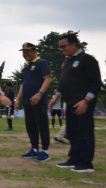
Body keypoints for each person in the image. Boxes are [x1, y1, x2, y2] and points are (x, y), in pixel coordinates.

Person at [49, 34, 102, 173]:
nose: (61, 49)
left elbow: (96, 82)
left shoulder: (87, 60)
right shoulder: (66, 61)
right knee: (72, 132)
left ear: (74, 44)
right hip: (69, 101)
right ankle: (74, 159)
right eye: (60, 47)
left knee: (84, 132)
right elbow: (63, 83)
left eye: (64, 46)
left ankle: (86, 163)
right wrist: (56, 98)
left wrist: (86, 101)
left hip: (82, 102)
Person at [14, 42, 52, 162]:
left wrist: (39, 94)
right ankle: (34, 149)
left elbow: (48, 78)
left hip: (39, 101)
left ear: (35, 51)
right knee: (30, 127)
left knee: (42, 126)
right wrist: (18, 99)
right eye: (24, 52)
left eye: (28, 51)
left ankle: (45, 151)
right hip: (27, 101)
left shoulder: (42, 63)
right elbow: (23, 85)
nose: (26, 54)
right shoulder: (25, 67)